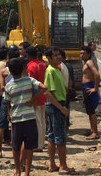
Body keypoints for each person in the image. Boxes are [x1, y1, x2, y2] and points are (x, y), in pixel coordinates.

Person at [4, 57, 55, 176]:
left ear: (10, 72)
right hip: (30, 118)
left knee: (15, 146)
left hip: (16, 118)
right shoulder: (29, 80)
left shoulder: (8, 86)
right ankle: (27, 172)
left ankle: (17, 170)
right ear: (22, 69)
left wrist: (8, 114)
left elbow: (8, 103)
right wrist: (33, 100)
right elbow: (44, 88)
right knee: (29, 147)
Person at [44, 46, 74, 175]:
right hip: (56, 106)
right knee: (60, 137)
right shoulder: (51, 71)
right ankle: (63, 166)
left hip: (55, 106)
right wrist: (61, 108)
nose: (59, 57)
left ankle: (52, 164)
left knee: (51, 135)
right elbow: (47, 92)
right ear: (49, 58)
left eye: (59, 55)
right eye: (55, 55)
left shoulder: (56, 69)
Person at [0, 46, 19, 157]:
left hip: (6, 98)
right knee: (17, 125)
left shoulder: (4, 71)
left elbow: (2, 86)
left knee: (1, 125)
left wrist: (9, 88)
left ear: (8, 56)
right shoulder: (22, 69)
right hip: (19, 97)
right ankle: (18, 150)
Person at [25, 46, 47, 152]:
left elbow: (31, 84)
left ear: (27, 55)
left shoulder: (30, 66)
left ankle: (38, 145)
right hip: (44, 96)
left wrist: (31, 99)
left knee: (37, 121)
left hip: (35, 97)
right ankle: (41, 143)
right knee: (42, 121)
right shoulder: (43, 64)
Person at [81, 46, 101, 140]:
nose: (81, 55)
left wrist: (95, 88)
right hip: (86, 87)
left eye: (84, 53)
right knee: (89, 111)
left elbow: (97, 75)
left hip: (89, 88)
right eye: (81, 53)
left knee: (91, 111)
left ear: (89, 54)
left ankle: (95, 133)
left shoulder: (89, 62)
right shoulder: (85, 63)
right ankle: (92, 130)